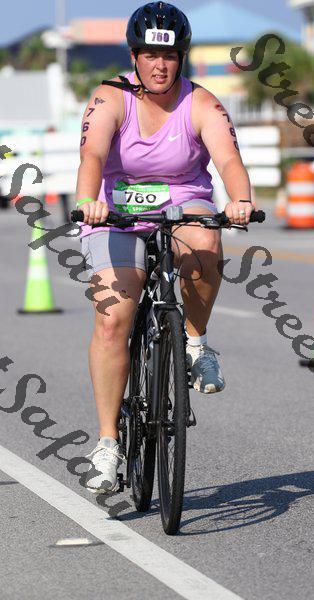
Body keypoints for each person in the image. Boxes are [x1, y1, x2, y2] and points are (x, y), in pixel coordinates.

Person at [76, 1, 256, 493]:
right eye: (151, 55)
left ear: (182, 58)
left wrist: (240, 199)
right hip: (115, 209)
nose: (160, 66)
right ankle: (108, 444)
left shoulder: (202, 103)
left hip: (183, 201)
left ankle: (195, 343)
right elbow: (92, 154)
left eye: (170, 56)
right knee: (112, 319)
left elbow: (229, 159)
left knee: (205, 242)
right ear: (134, 56)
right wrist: (88, 201)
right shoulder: (110, 97)